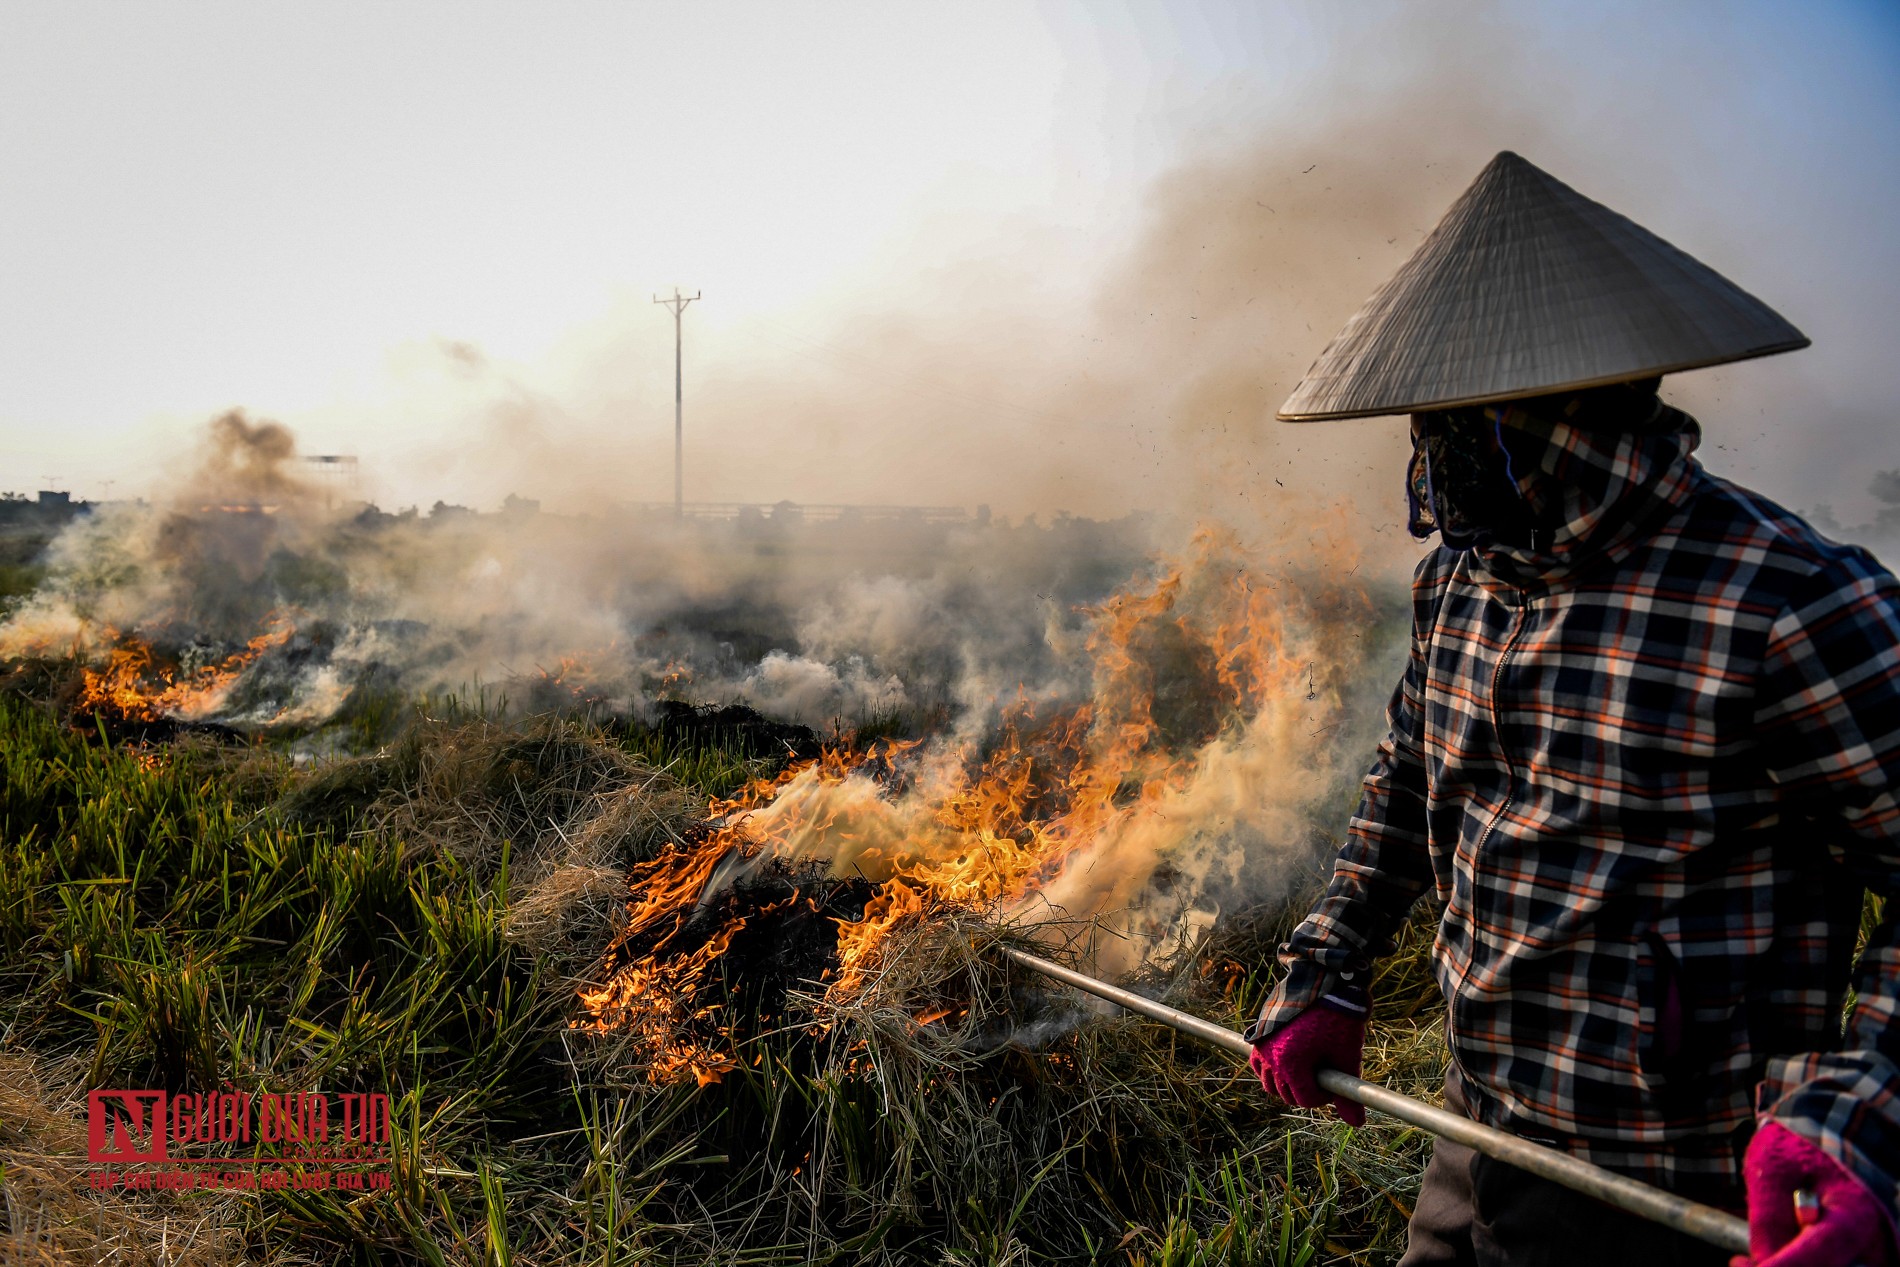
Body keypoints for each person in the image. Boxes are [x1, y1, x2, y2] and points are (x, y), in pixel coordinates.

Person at [1250, 151, 1899, 1267]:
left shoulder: (1791, 604)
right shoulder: (1461, 580)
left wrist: (1858, 1114)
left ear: (1573, 410)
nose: (1427, 457)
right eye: (1423, 421)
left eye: (1456, 420)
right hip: (1480, 1135)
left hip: (1688, 1180)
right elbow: (1405, 781)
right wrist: (1329, 961)